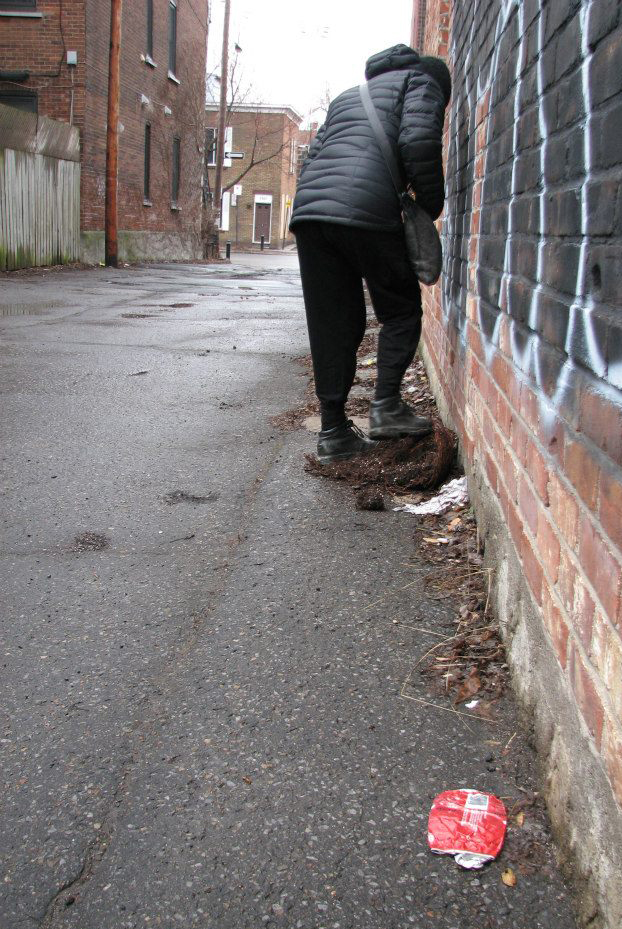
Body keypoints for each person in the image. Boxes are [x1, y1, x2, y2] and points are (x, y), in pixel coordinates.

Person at [290, 44, 451, 463]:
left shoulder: (347, 96)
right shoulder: (423, 79)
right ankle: (386, 408)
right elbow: (418, 139)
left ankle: (333, 433)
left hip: (309, 214)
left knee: (332, 323)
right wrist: (428, 207)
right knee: (400, 310)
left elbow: (312, 156)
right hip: (366, 207)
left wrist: (316, 203)